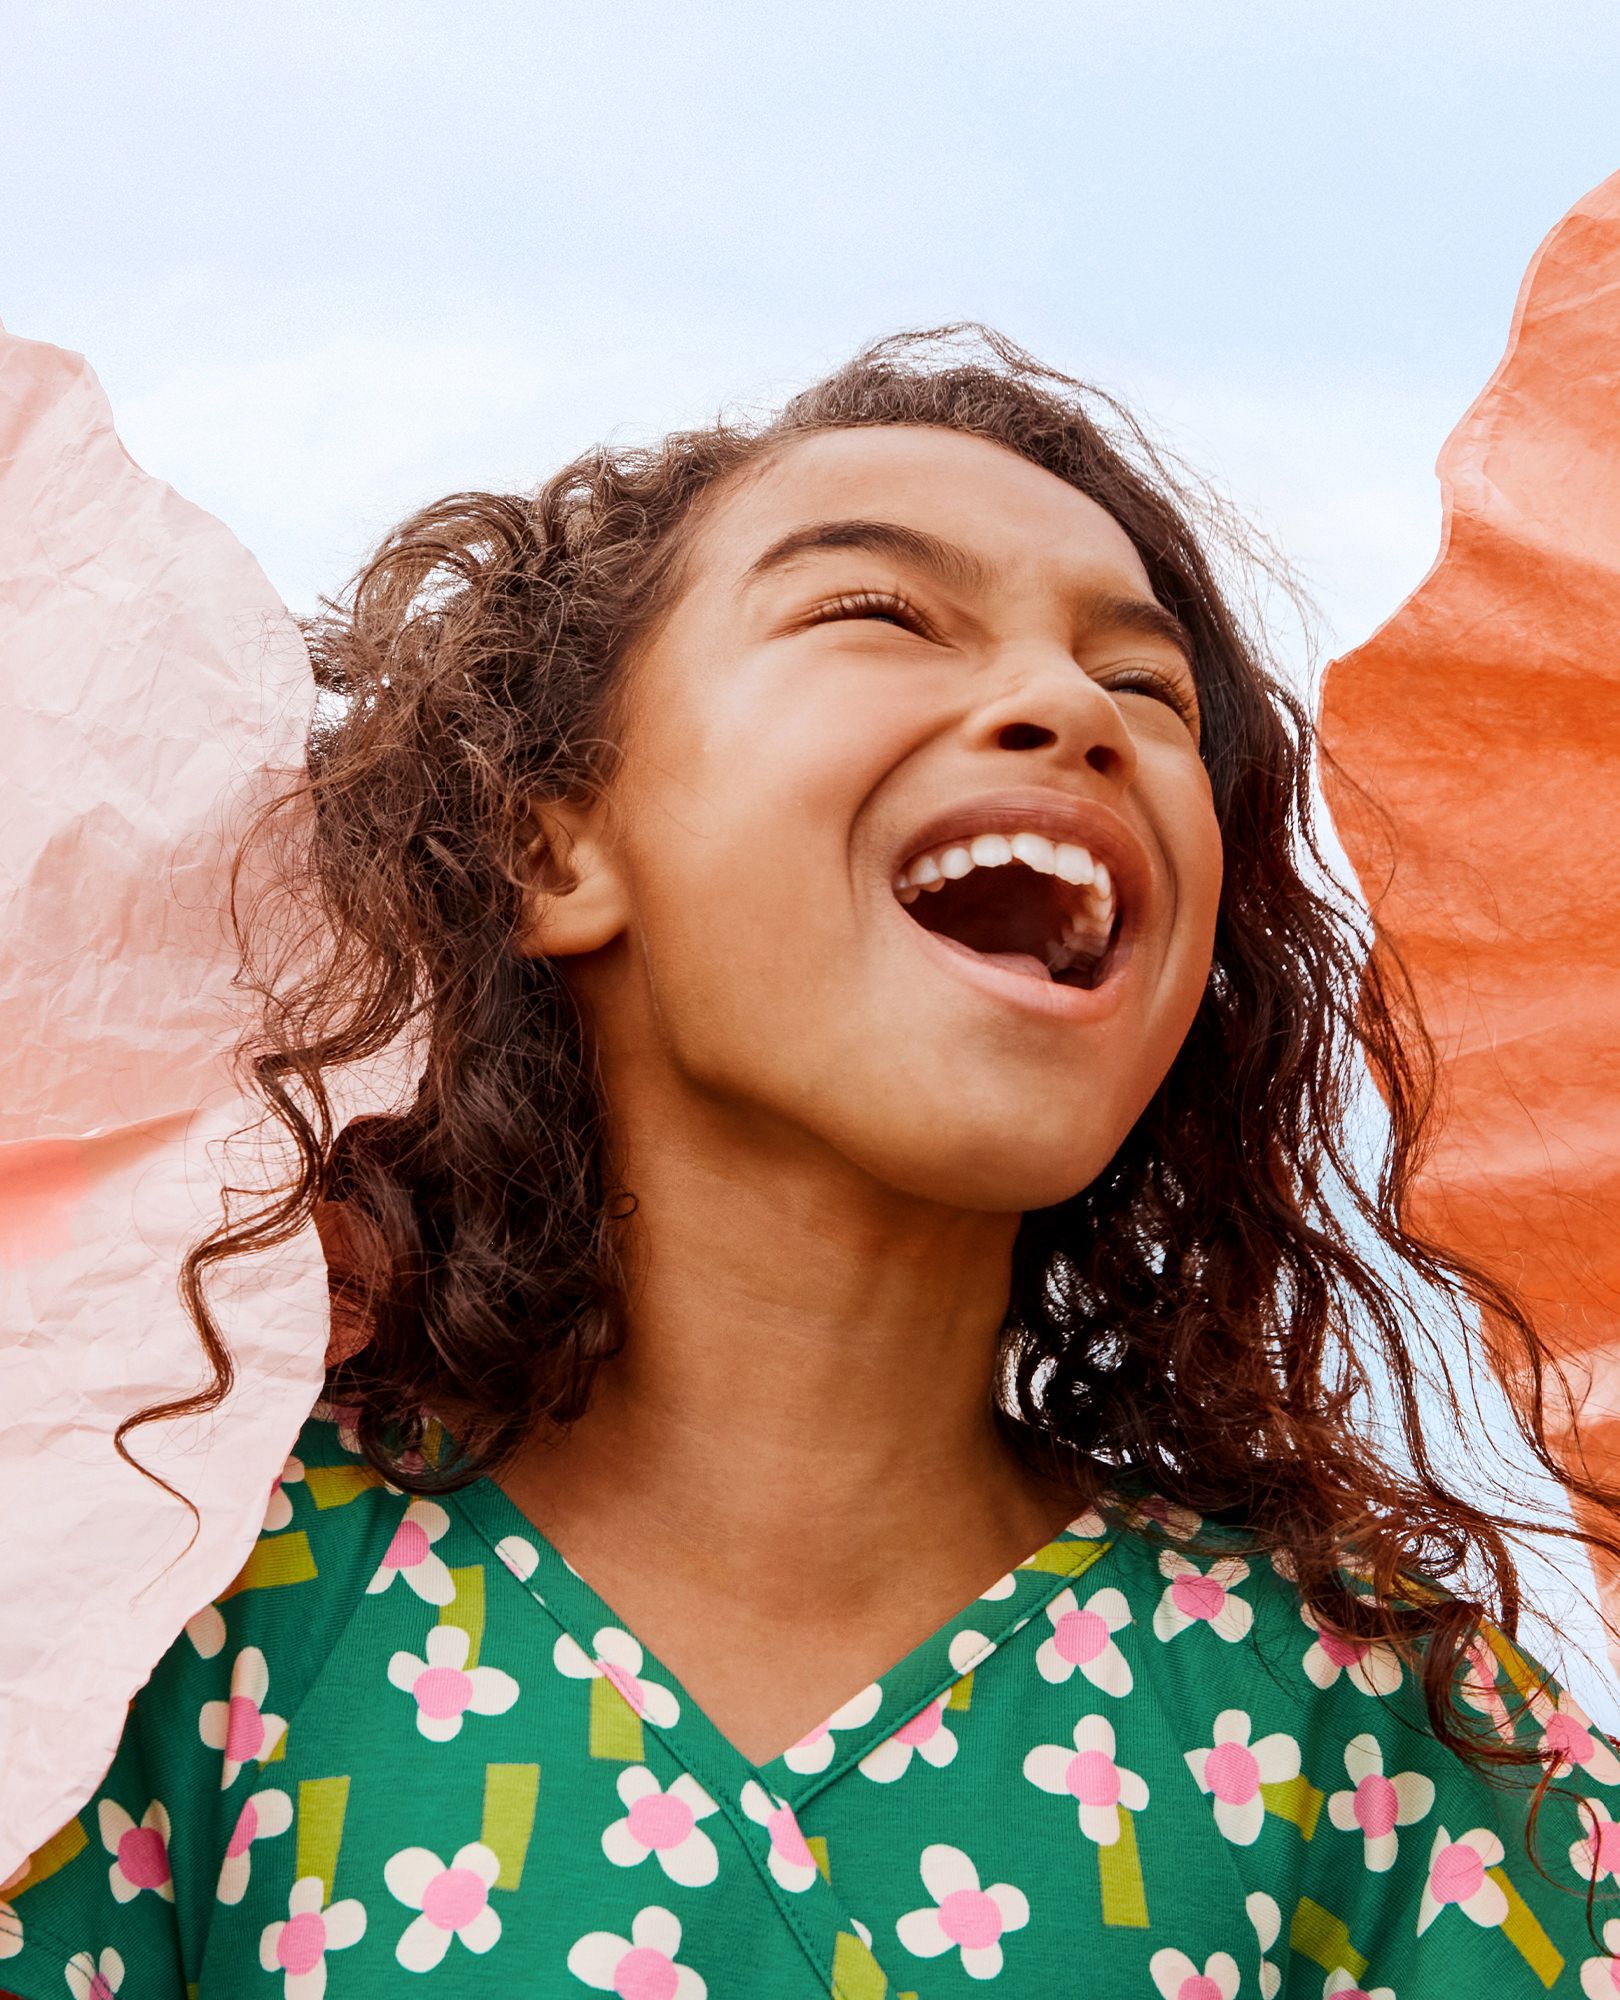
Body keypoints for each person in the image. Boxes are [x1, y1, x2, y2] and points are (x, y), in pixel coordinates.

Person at [4, 325, 1618, 1999]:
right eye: (881, 614)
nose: (1073, 707)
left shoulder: (1386, 1735)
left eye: (1148, 691)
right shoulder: (169, 1611)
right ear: (552, 844)